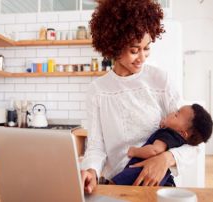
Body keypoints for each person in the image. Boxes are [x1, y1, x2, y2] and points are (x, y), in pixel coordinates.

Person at [81, 0, 199, 193]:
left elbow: (194, 141)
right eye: (134, 50)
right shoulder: (98, 90)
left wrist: (164, 159)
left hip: (158, 187)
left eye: (147, 48)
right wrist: (91, 171)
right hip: (116, 186)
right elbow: (96, 147)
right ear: (114, 46)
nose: (142, 58)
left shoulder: (160, 81)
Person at [111, 104, 213, 186]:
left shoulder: (168, 134)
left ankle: (111, 184)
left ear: (182, 133)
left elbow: (155, 150)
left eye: (176, 115)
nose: (172, 112)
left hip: (144, 168)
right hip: (161, 174)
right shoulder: (178, 139)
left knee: (128, 176)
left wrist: (134, 151)